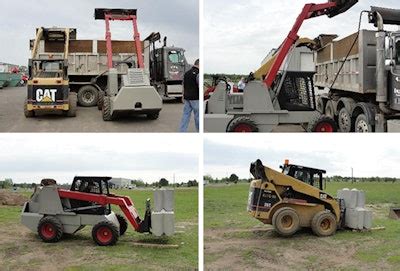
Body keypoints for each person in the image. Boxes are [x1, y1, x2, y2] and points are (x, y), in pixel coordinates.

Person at [179, 59, 199, 132]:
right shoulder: (198, 74)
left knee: (185, 116)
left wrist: (183, 96)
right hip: (196, 99)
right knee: (198, 117)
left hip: (187, 98)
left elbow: (184, 85)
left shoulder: (186, 73)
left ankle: (182, 131)